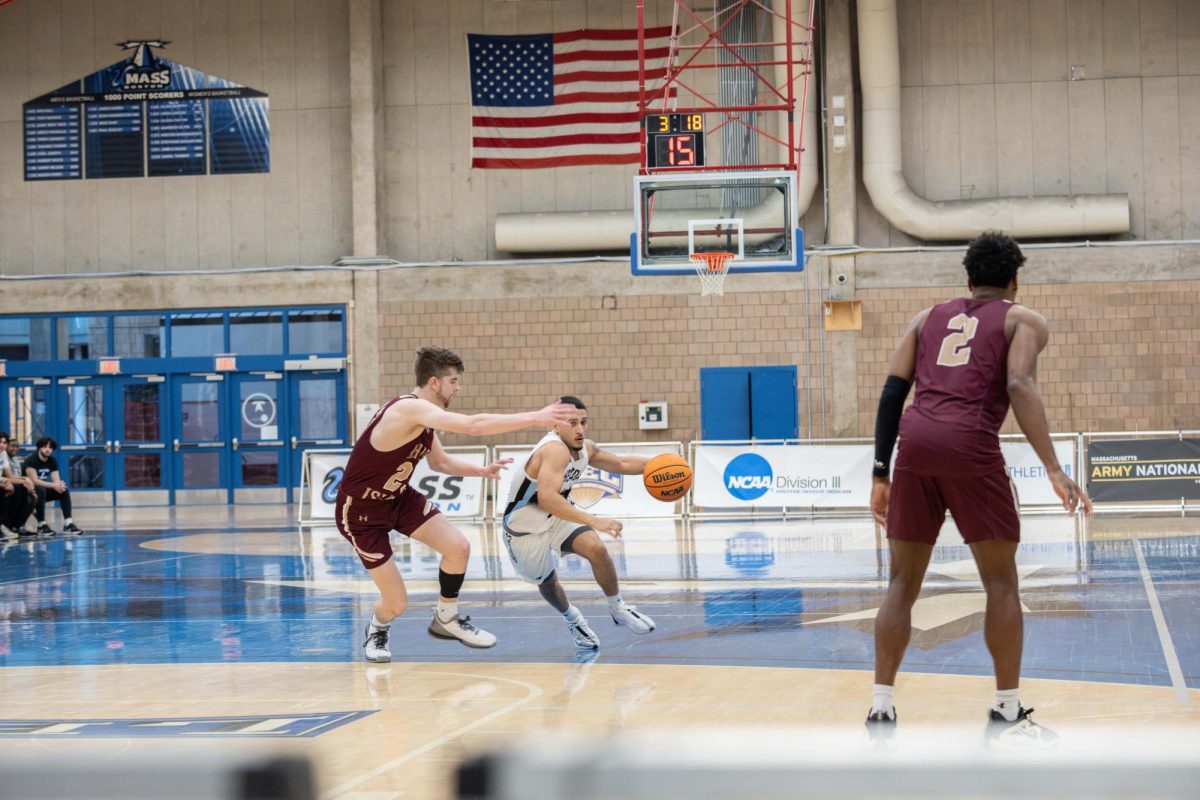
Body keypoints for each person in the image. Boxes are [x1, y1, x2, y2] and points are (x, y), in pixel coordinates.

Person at [866, 231, 1090, 742]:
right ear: (1014, 280)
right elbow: (1018, 384)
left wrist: (881, 472)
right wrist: (1054, 468)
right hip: (969, 445)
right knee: (1001, 583)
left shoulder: (926, 318)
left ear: (968, 280)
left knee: (901, 583)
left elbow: (892, 392)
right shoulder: (1023, 319)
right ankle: (1007, 711)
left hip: (915, 444)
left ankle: (881, 707)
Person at [337, 346, 575, 663]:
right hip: (362, 511)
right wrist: (535, 417)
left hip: (397, 497)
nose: (457, 388)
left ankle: (446, 618)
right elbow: (473, 425)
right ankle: (378, 627)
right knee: (396, 604)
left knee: (458, 548)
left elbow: (441, 463)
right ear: (434, 383)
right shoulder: (407, 410)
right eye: (453, 381)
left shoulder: (424, 418)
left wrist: (480, 470)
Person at [501, 395, 657, 650]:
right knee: (548, 583)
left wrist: (660, 463)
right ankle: (573, 619)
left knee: (597, 549)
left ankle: (618, 608)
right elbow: (547, 497)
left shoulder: (586, 448)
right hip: (523, 528)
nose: (580, 429)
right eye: (572, 423)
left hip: (556, 515)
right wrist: (595, 520)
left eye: (583, 422)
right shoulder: (553, 449)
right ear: (555, 426)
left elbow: (622, 463)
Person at [24, 438, 82, 536]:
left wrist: (58, 486)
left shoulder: (52, 460)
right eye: (45, 447)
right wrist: (54, 485)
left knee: (63, 490)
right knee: (40, 490)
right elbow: (34, 481)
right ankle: (41, 525)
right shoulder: (31, 460)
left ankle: (68, 524)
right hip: (27, 491)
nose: (48, 449)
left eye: (50, 447)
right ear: (39, 448)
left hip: (40, 490)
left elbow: (56, 481)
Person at [0, 432, 37, 539]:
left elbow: (9, 476)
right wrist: (4, 485)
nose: (2, 445)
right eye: (0, 442)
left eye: (4, 442)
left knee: (22, 488)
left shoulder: (2, 454)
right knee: (10, 489)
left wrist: (25, 479)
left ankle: (11, 526)